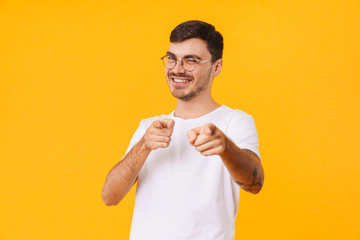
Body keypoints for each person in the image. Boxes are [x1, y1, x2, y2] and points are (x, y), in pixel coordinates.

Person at [102, 20, 264, 240]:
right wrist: (143, 146)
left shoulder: (233, 122)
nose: (177, 69)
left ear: (216, 67)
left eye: (191, 61)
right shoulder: (149, 128)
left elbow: (255, 184)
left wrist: (225, 147)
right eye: (172, 59)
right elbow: (109, 197)